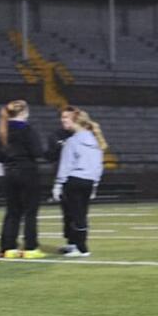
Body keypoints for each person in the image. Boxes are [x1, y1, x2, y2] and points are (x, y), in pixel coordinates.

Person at [0, 99, 44, 258]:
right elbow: (37, 152)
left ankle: (8, 248)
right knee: (30, 211)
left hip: (9, 174)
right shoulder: (28, 130)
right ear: (24, 112)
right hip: (28, 172)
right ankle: (30, 248)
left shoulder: (2, 131)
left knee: (12, 212)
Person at [53, 106, 107, 257]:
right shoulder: (95, 141)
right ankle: (76, 244)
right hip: (89, 181)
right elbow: (98, 166)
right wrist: (95, 185)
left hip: (74, 180)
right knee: (80, 214)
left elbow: (66, 165)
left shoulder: (72, 141)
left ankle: (81, 247)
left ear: (76, 121)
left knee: (75, 215)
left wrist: (58, 184)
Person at [46, 107, 75, 250]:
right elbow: (50, 157)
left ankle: (78, 243)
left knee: (78, 212)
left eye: (67, 117)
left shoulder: (81, 134)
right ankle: (70, 242)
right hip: (62, 177)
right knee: (67, 212)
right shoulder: (56, 135)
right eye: (62, 117)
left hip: (78, 176)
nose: (64, 120)